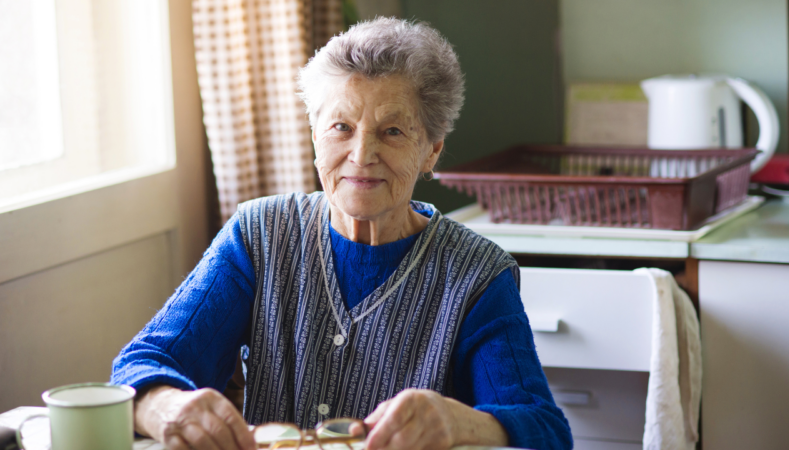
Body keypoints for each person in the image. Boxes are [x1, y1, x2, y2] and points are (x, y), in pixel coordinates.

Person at [112, 17, 572, 450]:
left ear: (431, 151)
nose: (361, 154)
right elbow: (137, 367)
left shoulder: (476, 274)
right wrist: (166, 405)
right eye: (341, 127)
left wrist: (458, 422)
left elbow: (545, 429)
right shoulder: (259, 236)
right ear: (315, 137)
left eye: (391, 131)